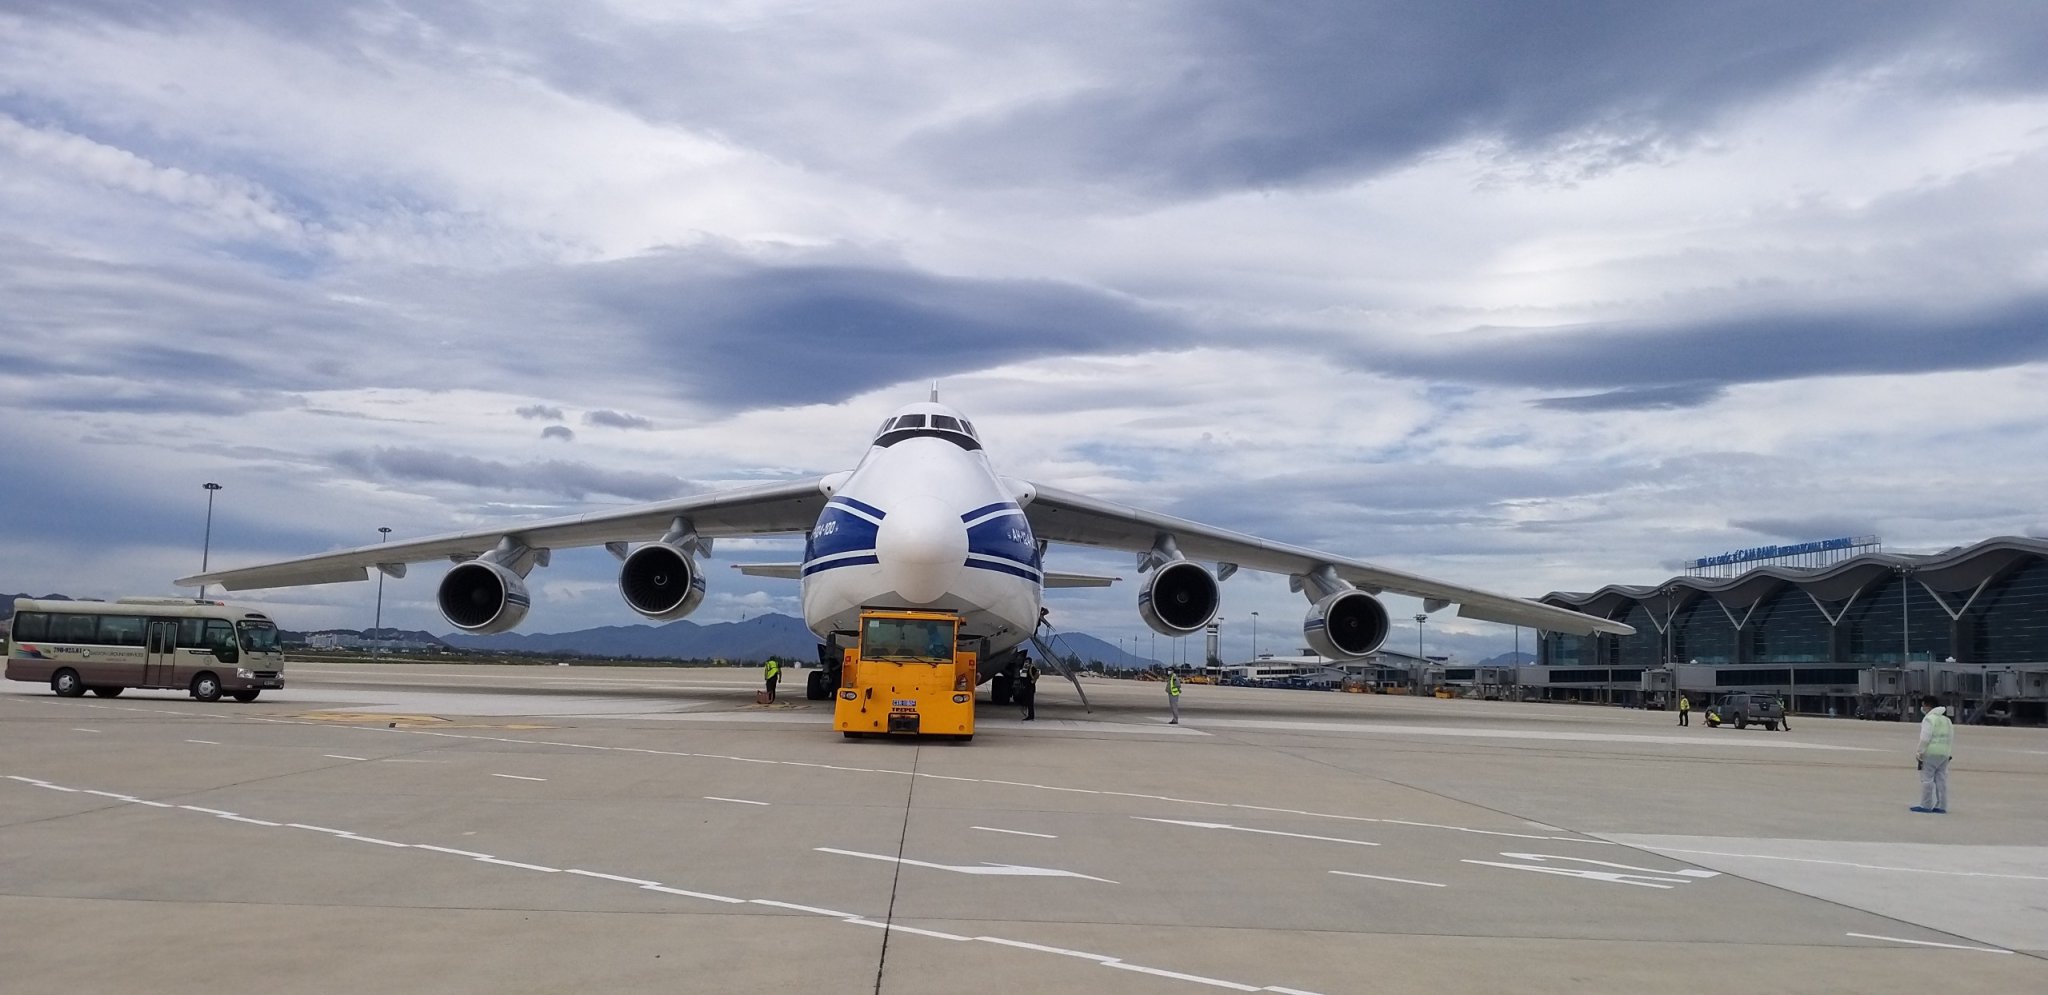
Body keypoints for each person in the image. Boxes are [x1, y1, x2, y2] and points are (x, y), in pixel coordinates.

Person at [1911, 694, 1953, 813]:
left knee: (1927, 779)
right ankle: (1941, 806)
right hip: (1944, 753)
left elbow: (1925, 738)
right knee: (1941, 780)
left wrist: (1919, 752)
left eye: (1923, 705)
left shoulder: (1929, 719)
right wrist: (1948, 752)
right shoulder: (1947, 720)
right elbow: (1950, 737)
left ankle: (1926, 805)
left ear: (1927, 705)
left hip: (1930, 753)